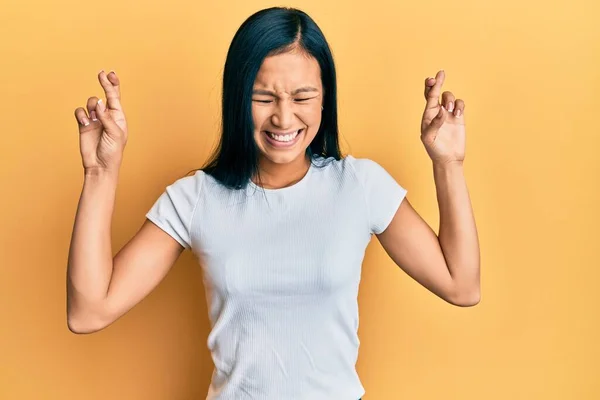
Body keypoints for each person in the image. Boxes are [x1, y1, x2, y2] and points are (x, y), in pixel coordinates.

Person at [67, 6, 480, 400]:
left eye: (302, 97)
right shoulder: (196, 197)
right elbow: (89, 312)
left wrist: (448, 163)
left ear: (324, 99)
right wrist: (101, 172)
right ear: (236, 98)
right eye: (263, 98)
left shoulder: (359, 185)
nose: (283, 118)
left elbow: (461, 285)